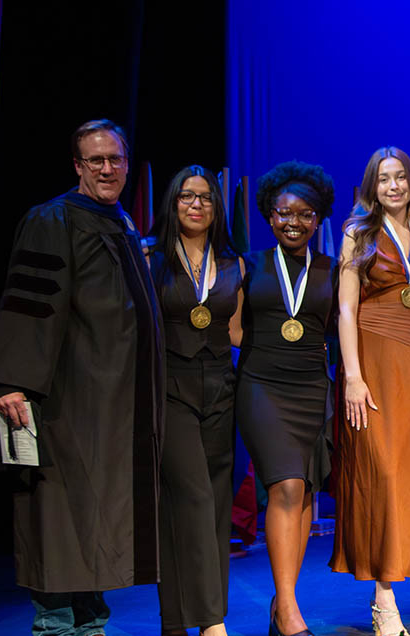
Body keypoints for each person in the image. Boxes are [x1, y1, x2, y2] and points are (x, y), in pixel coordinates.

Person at [0, 119, 164, 636]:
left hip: (114, 397)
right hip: (68, 393)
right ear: (78, 166)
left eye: (115, 159)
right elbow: (29, 303)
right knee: (59, 507)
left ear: (127, 163)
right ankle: (56, 625)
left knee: (96, 509)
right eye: (95, 160)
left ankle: (90, 623)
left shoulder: (120, 221)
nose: (107, 169)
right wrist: (13, 381)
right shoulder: (54, 218)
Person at [330, 146, 410, 636]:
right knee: (384, 474)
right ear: (371, 187)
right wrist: (352, 375)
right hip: (372, 359)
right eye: (383, 179)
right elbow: (346, 310)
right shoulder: (358, 234)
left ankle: (392, 587)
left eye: (400, 178)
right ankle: (384, 598)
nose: (392, 186)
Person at [236, 161, 337, 636]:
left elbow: (342, 332)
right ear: (269, 216)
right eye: (283, 213)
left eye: (304, 213)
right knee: (287, 488)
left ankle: (283, 604)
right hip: (261, 386)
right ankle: (292, 613)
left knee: (302, 498)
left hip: (312, 389)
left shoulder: (331, 271)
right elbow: (233, 328)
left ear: (318, 219)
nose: (293, 221)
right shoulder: (248, 264)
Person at [147, 165, 244, 636]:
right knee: (194, 497)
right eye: (187, 196)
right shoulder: (151, 260)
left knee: (215, 505)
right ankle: (211, 622)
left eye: (205, 198)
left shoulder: (234, 264)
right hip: (171, 389)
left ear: (216, 207)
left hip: (221, 391)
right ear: (173, 203)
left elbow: (239, 332)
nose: (196, 205)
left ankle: (174, 622)